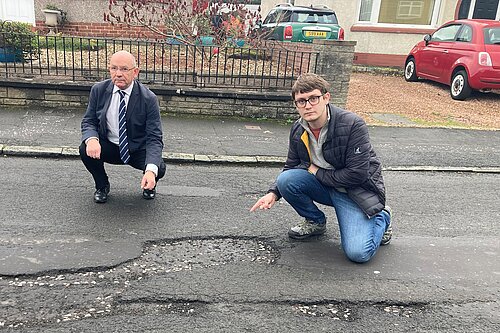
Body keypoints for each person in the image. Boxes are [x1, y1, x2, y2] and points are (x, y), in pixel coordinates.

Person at [250, 73, 392, 263]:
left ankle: (382, 218)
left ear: (326, 97)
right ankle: (315, 222)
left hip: (354, 192)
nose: (308, 105)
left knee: (359, 254)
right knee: (287, 180)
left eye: (313, 98)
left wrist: (317, 171)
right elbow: (291, 165)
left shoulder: (352, 125)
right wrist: (273, 193)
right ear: (296, 105)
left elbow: (357, 174)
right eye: (301, 101)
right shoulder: (298, 129)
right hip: (326, 187)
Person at [80, 50, 166, 203]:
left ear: (135, 72)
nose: (118, 73)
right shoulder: (98, 90)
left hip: (136, 149)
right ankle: (102, 186)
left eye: (124, 69)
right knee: (85, 149)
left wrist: (151, 171)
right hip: (110, 146)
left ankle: (149, 184)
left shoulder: (149, 99)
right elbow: (89, 121)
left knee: (158, 167)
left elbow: (154, 137)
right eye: (114, 68)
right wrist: (92, 139)